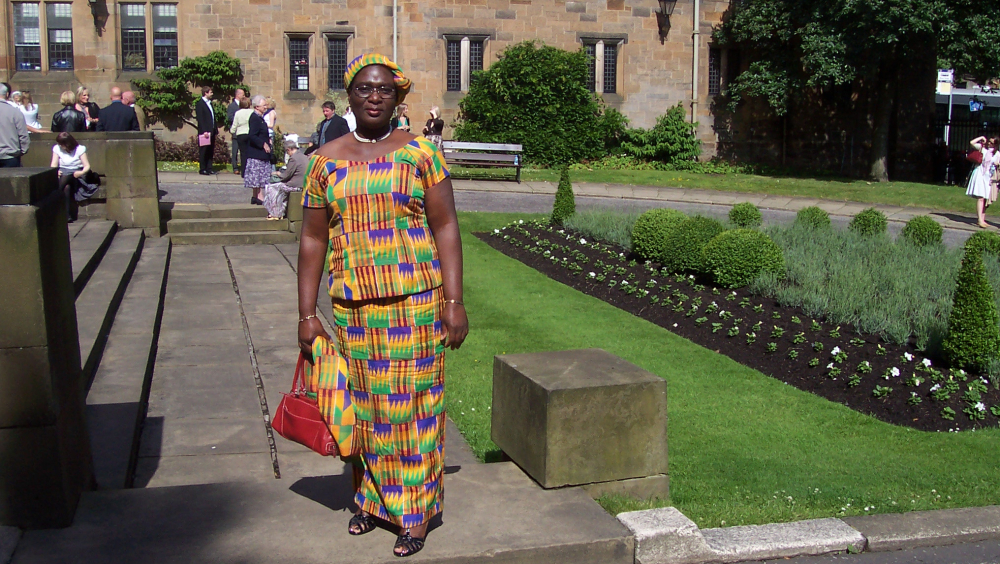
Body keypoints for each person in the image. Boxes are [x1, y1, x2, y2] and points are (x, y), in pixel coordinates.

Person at [297, 54, 467, 558]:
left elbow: (446, 227)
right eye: (365, 89)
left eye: (384, 90)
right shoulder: (325, 159)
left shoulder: (420, 153)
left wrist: (453, 301)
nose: (375, 96)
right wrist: (307, 313)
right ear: (349, 96)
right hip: (354, 312)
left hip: (415, 307)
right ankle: (371, 501)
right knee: (366, 411)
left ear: (397, 98)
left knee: (414, 410)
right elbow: (311, 239)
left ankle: (415, 512)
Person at [49, 132, 98, 222]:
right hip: (63, 173)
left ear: (67, 143)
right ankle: (68, 216)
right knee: (67, 188)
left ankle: (55, 197)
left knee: (68, 177)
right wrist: (56, 171)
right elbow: (54, 164)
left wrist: (81, 172)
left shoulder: (80, 149)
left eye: (61, 144)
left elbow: (87, 166)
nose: (60, 146)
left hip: (77, 174)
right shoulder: (56, 148)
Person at [262, 139, 307, 219]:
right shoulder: (303, 156)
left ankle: (275, 214)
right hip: (303, 184)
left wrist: (277, 173)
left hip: (296, 185)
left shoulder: (293, 159)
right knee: (279, 188)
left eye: (287, 152)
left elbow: (285, 176)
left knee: (271, 188)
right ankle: (280, 211)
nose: (288, 154)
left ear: (289, 149)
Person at [966, 135, 1000, 229]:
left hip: (988, 177)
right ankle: (980, 220)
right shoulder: (983, 149)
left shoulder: (997, 154)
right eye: (989, 142)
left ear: (996, 145)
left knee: (985, 199)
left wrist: (998, 164)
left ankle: (982, 219)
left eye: (992, 143)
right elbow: (972, 143)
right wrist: (981, 138)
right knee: (981, 198)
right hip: (980, 175)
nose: (989, 144)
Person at [244, 95, 272, 205]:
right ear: (257, 107)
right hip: (257, 152)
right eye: (264, 105)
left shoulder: (259, 118)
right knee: (258, 175)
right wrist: (263, 144)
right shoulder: (255, 118)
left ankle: (255, 196)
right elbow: (252, 135)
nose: (266, 107)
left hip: (259, 153)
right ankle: (259, 196)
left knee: (258, 174)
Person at [0, 84, 30, 167]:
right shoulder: (15, 112)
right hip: (11, 156)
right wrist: (22, 151)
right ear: (7, 94)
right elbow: (23, 136)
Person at [229, 97, 253, 178]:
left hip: (241, 135)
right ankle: (250, 171)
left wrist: (232, 131)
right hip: (250, 134)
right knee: (250, 154)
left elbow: (234, 125)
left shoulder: (238, 113)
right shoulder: (252, 112)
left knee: (243, 154)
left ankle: (243, 172)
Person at [196, 86, 217, 175]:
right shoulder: (200, 104)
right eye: (210, 92)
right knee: (204, 150)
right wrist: (204, 130)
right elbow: (200, 119)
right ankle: (203, 168)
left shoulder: (210, 103)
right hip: (205, 131)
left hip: (211, 130)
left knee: (210, 150)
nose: (212, 94)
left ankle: (209, 167)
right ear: (206, 93)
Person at [227, 88, 246, 174]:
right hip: (236, 131)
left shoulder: (244, 105)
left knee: (243, 151)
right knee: (235, 150)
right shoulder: (232, 106)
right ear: (237, 95)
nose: (244, 96)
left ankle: (243, 167)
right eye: (242, 94)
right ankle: (235, 167)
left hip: (243, 132)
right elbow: (230, 117)